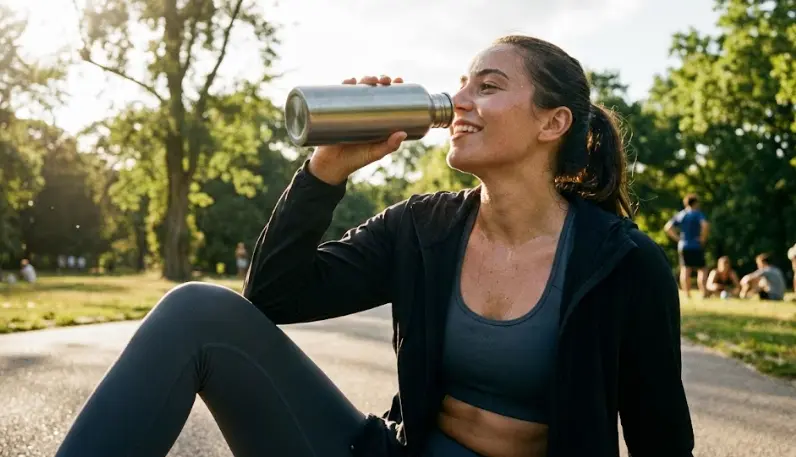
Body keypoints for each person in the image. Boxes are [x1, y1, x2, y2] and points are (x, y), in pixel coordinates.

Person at [54, 35, 694, 457]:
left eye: (489, 87)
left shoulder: (621, 262)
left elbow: (661, 440)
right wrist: (328, 170)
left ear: (552, 123)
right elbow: (275, 296)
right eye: (462, 83)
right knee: (197, 312)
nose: (460, 102)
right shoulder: (424, 228)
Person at [665, 194, 710, 298]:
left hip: (683, 246)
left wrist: (678, 239)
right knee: (702, 269)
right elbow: (705, 225)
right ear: (695, 203)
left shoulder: (681, 214)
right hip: (696, 245)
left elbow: (668, 227)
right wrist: (703, 238)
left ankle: (687, 294)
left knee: (685, 270)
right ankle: (704, 293)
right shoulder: (697, 214)